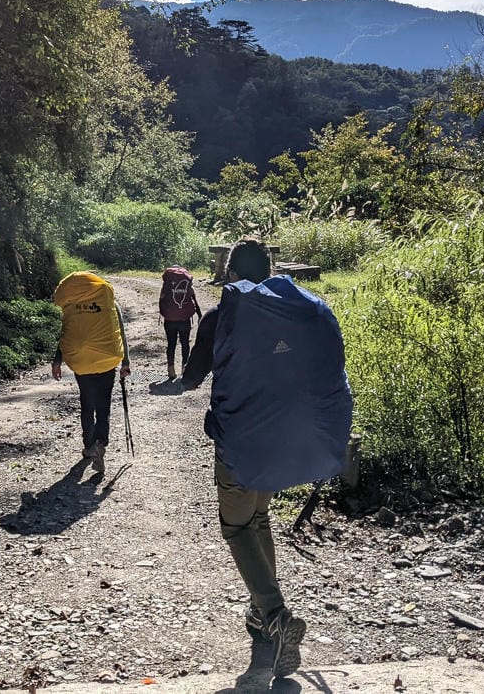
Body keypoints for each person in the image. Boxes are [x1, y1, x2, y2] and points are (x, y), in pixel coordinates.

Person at [177, 239, 353, 679]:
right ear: (271, 270)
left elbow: (194, 377)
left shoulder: (224, 316)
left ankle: (275, 615)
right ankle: (262, 615)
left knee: (236, 527)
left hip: (239, 442)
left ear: (230, 273)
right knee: (259, 521)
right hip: (282, 441)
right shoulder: (299, 313)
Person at [51, 271, 131, 474]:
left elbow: (68, 332)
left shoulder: (72, 305)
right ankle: (101, 444)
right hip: (106, 360)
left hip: (82, 361)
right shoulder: (109, 303)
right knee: (103, 405)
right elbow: (120, 332)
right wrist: (125, 362)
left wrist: (57, 360)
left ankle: (89, 446)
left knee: (87, 403)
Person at [158, 266, 202, 380]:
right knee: (185, 343)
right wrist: (199, 314)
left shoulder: (167, 283)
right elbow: (194, 299)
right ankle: (184, 368)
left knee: (171, 344)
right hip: (184, 319)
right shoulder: (186, 283)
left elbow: (162, 298)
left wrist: (163, 311)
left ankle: (171, 370)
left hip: (169, 320)